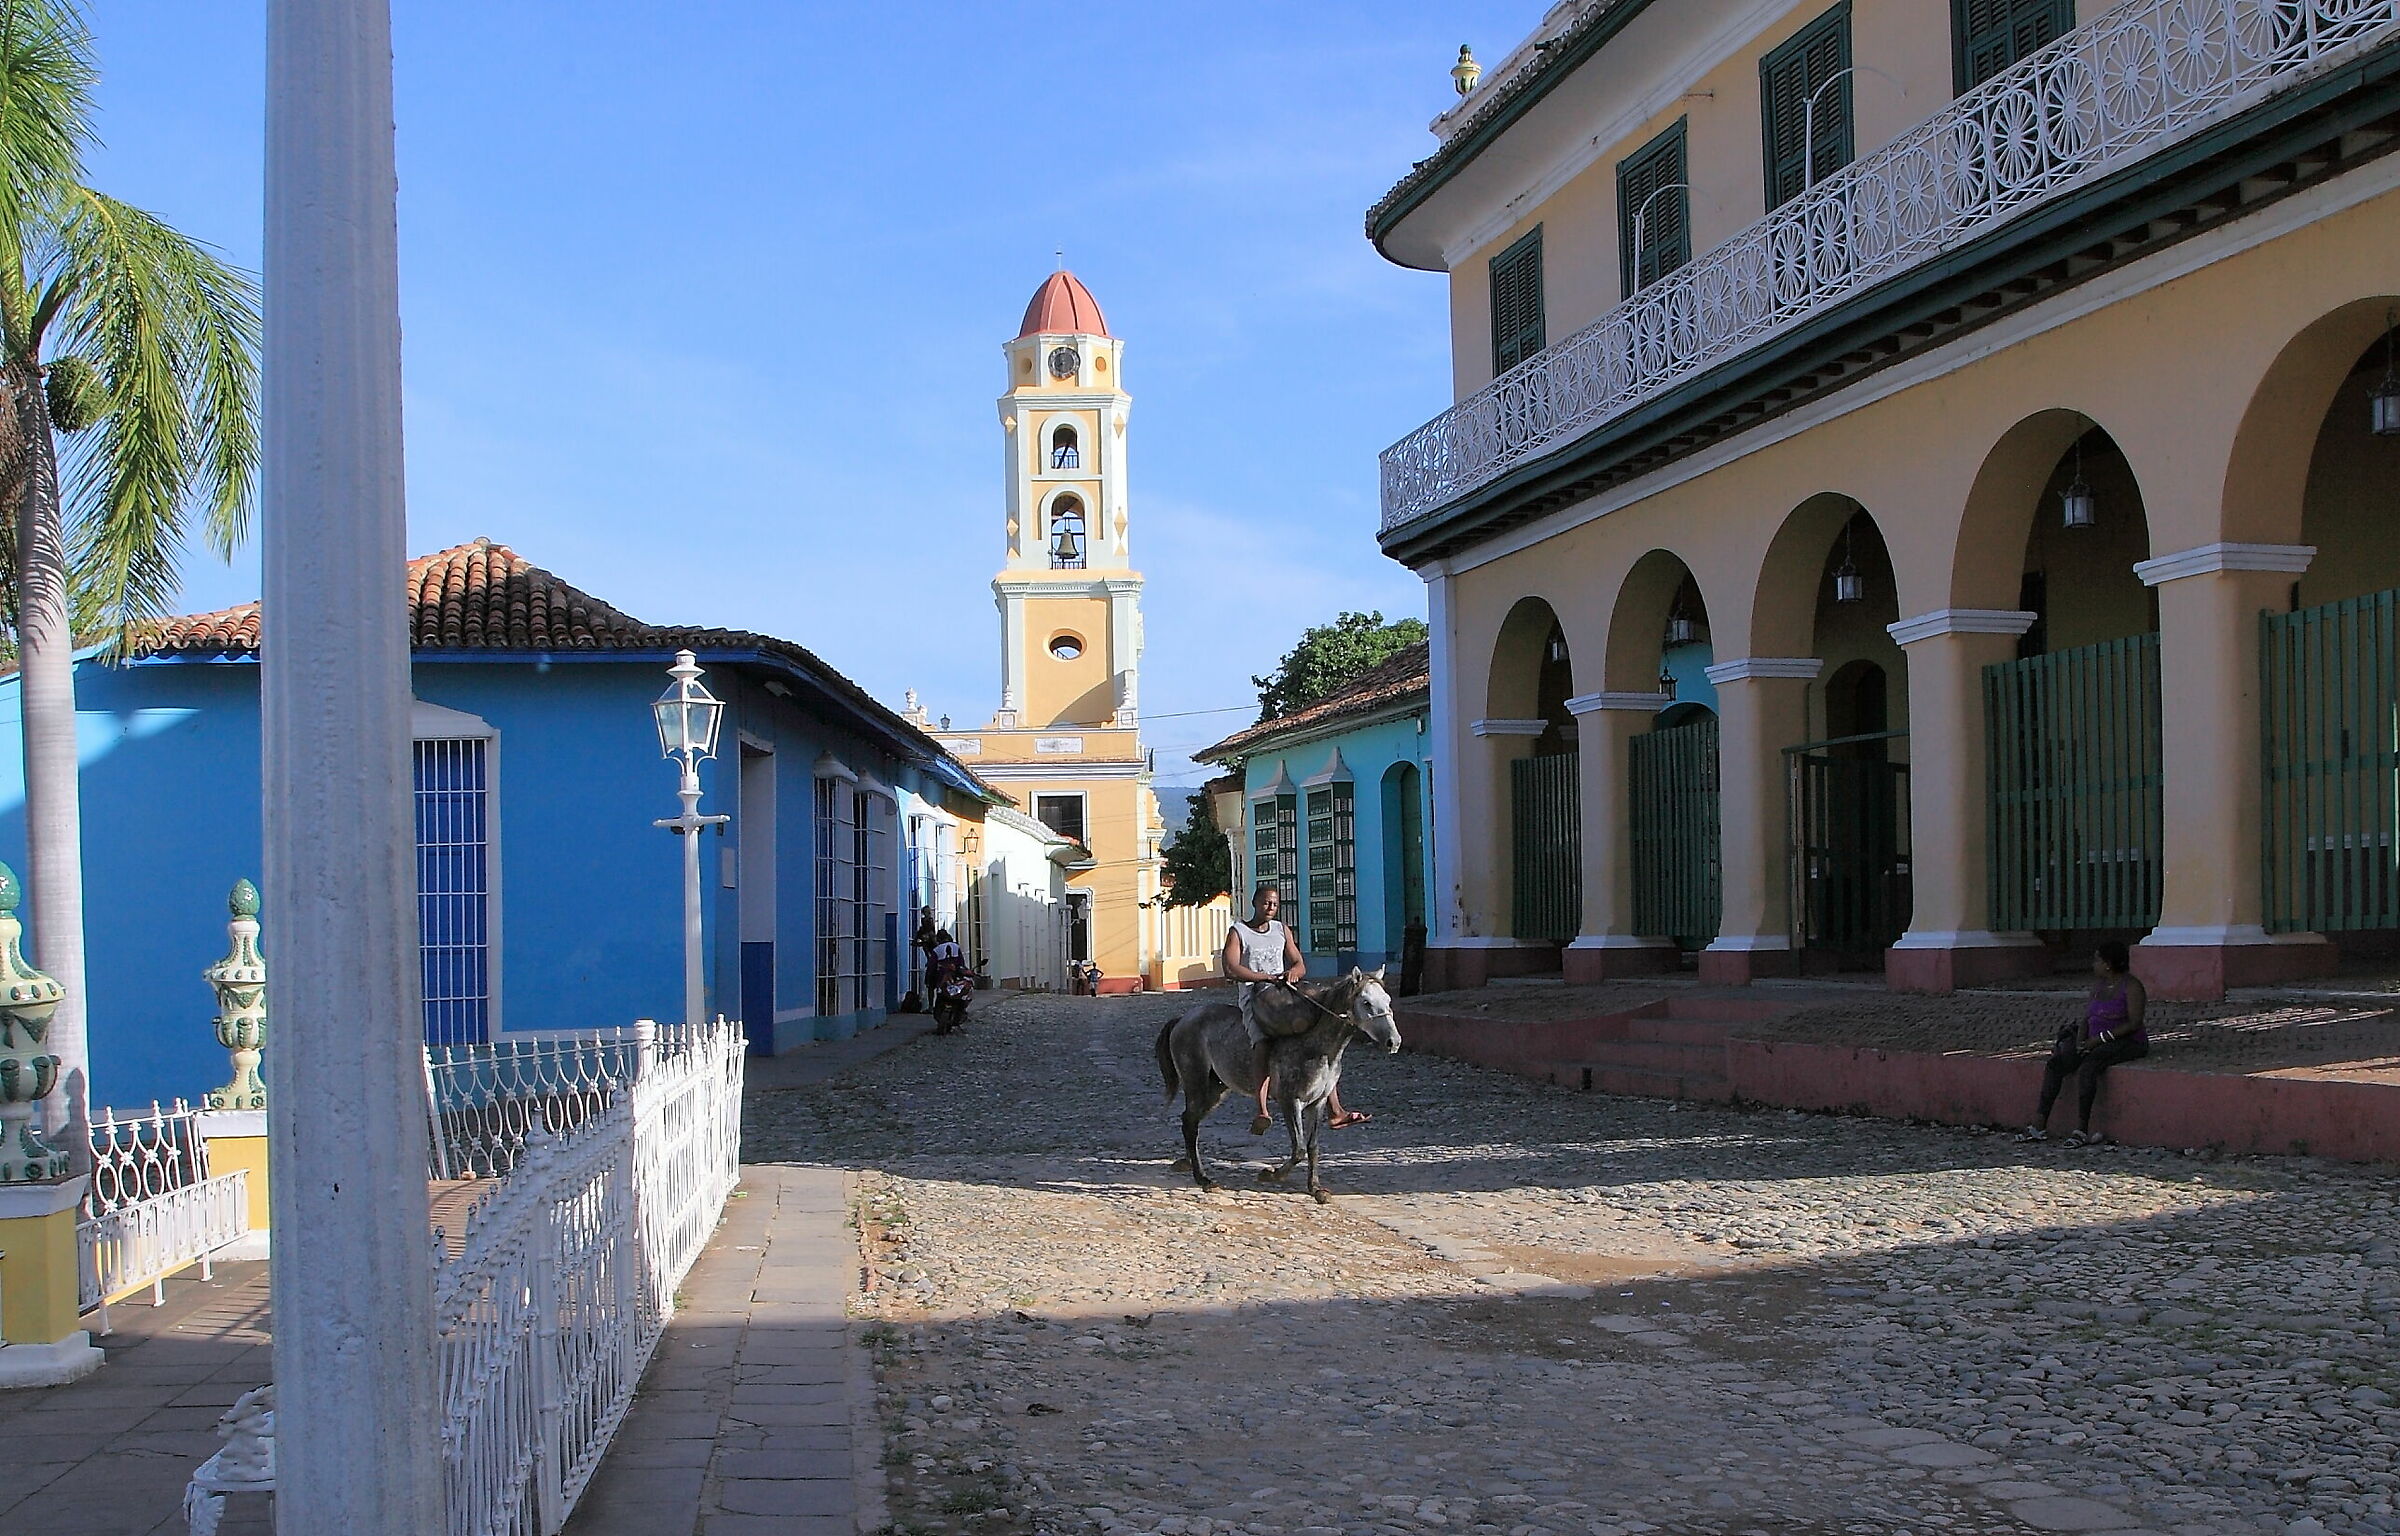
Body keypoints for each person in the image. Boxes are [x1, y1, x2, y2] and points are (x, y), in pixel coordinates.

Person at [1221, 884, 1368, 1136]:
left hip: (1284, 993)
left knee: (1319, 1037)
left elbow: (1299, 963)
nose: (1270, 908)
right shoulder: (1239, 932)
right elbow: (1231, 969)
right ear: (1255, 903)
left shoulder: (1281, 930)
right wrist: (1264, 977)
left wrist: (1292, 972)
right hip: (1255, 998)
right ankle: (1262, 1110)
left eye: (1275, 904)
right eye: (1266, 902)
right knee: (1262, 1042)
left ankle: (1335, 1110)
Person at [2023, 940, 2149, 1145]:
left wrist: (2098, 1040)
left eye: (2097, 960)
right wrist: (2081, 1040)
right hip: (2093, 1040)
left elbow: (2134, 1023)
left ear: (2108, 963)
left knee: (2089, 1067)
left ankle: (2081, 1128)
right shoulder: (2098, 987)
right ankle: (2039, 1123)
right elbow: (2087, 1018)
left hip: (2125, 1041)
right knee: (2057, 1064)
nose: (2094, 964)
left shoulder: (2132, 986)